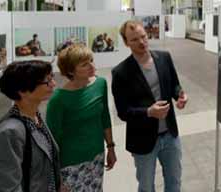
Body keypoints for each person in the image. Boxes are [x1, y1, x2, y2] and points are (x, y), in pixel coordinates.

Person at [111, 20, 188, 192]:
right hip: (143, 140)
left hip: (170, 135)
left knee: (174, 182)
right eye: (134, 40)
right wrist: (148, 112)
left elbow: (174, 85)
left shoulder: (164, 58)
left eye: (143, 37)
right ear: (126, 43)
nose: (141, 42)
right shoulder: (121, 73)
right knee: (146, 187)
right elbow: (123, 112)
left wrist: (180, 96)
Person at [46, 44, 116, 191]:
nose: (92, 66)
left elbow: (104, 117)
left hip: (96, 156)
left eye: (91, 60)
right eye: (85, 64)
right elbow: (51, 140)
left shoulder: (100, 84)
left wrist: (110, 147)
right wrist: (55, 178)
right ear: (71, 71)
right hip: (70, 163)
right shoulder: (58, 99)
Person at [0, 60, 61, 191]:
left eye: (52, 78)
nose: (53, 84)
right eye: (47, 81)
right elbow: (7, 187)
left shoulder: (35, 117)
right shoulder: (9, 133)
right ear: (23, 91)